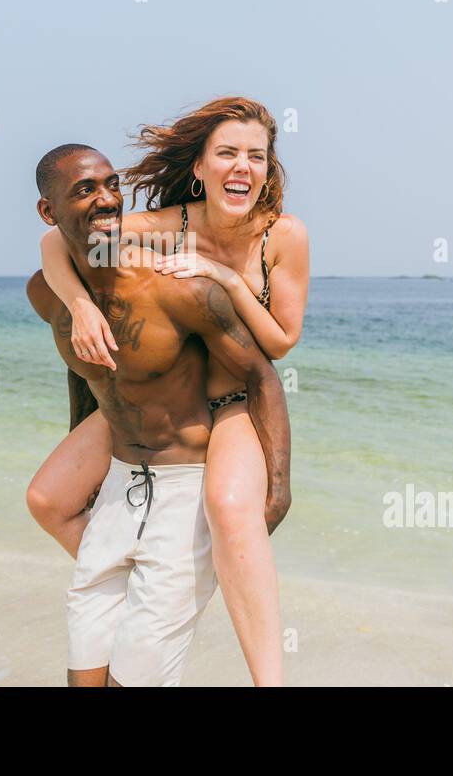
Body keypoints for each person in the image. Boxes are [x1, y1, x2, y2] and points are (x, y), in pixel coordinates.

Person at [27, 97, 309, 686]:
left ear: (268, 167)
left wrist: (226, 278)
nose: (243, 167)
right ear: (200, 167)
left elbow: (278, 348)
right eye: (227, 153)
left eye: (256, 156)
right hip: (154, 388)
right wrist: (79, 307)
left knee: (233, 511)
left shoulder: (282, 235)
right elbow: (63, 244)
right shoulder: (162, 226)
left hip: (228, 398)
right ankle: (143, 593)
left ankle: (265, 675)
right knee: (48, 498)